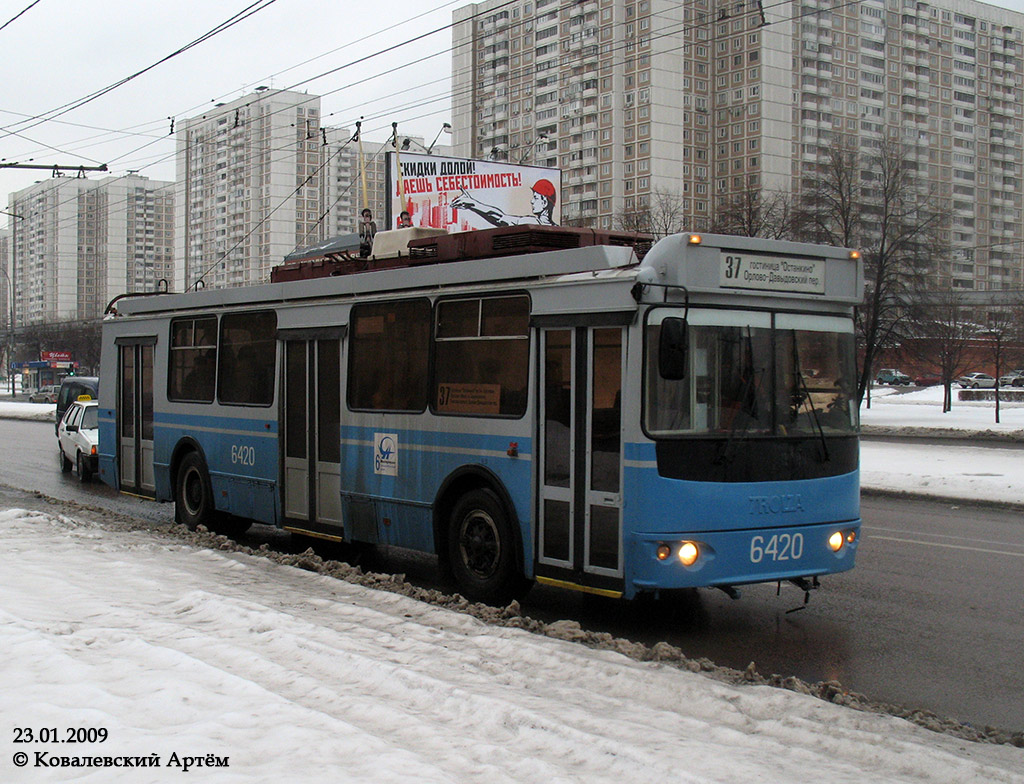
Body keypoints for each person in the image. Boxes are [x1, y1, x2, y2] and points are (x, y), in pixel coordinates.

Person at [451, 179, 558, 227]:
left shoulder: (533, 223)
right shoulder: (559, 229)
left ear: (544, 202)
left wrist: (473, 204)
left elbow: (499, 218)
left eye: (535, 198)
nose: (532, 201)